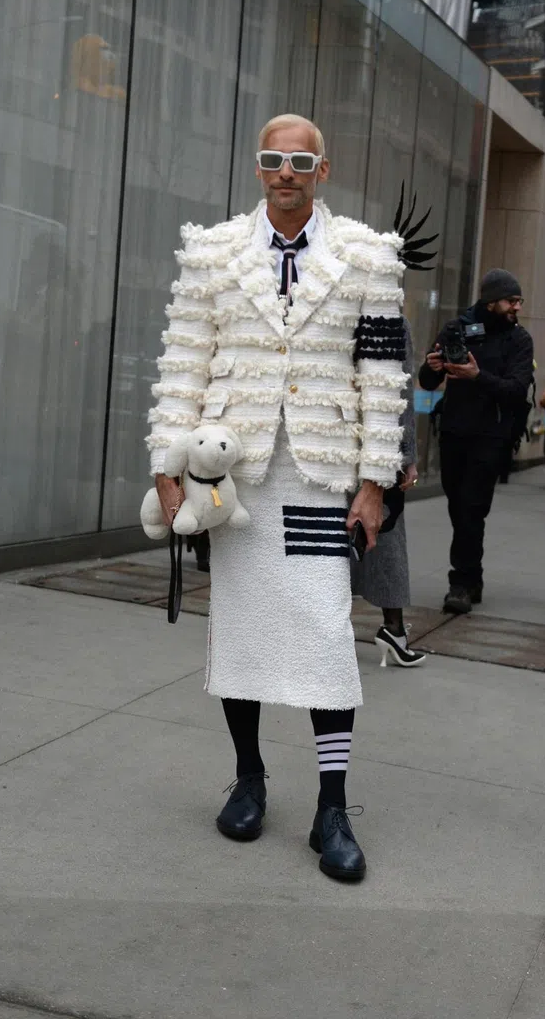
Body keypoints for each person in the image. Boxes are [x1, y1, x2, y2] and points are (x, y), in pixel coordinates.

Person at [148, 114, 410, 882]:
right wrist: (168, 467)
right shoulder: (214, 253)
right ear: (258, 168)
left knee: (327, 636)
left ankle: (333, 804)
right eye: (272, 158)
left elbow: (384, 378)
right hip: (237, 479)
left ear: (322, 172)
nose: (285, 170)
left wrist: (374, 482)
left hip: (323, 477)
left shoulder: (367, 257)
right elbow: (185, 362)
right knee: (245, 632)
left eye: (300, 159)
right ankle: (250, 778)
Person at [418, 269, 534, 614]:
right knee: (460, 507)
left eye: (519, 301)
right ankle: (474, 575)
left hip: (492, 436)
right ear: (491, 300)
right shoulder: (458, 330)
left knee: (470, 507)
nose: (517, 307)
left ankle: (461, 583)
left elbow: (515, 390)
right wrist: (434, 365)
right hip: (454, 431)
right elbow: (426, 382)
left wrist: (477, 376)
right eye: (511, 301)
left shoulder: (519, 340)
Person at [351, 318, 426, 667]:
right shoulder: (386, 315)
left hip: (329, 439)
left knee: (355, 533)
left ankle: (387, 630)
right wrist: (407, 455)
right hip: (376, 443)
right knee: (384, 535)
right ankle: (393, 630)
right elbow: (400, 392)